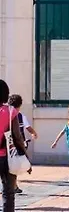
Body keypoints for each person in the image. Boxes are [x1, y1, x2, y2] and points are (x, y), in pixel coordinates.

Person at [0, 80, 27, 211]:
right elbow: (17, 136)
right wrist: (25, 154)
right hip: (7, 157)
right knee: (8, 193)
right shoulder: (11, 112)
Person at [8, 94, 36, 195]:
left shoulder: (4, 114)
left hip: (7, 145)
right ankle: (13, 186)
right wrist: (34, 133)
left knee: (10, 166)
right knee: (13, 166)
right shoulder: (20, 116)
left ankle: (14, 185)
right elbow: (27, 128)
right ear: (20, 105)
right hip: (16, 145)